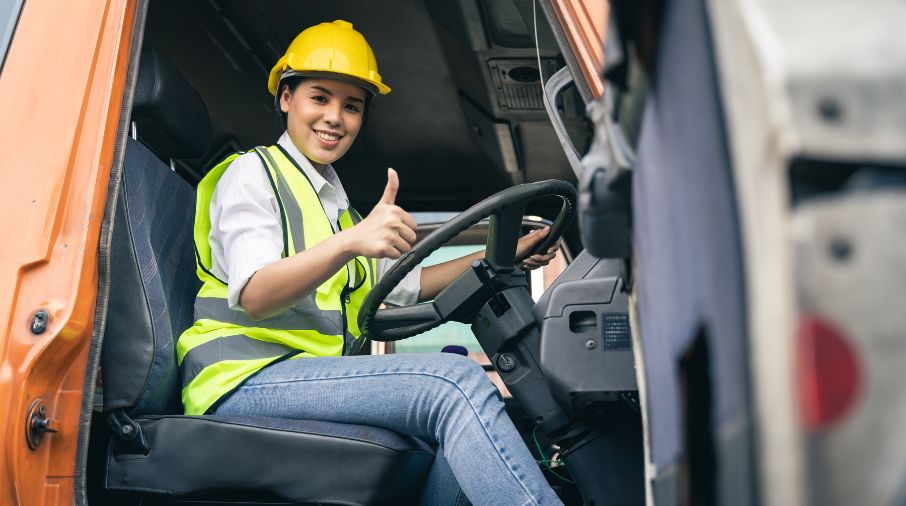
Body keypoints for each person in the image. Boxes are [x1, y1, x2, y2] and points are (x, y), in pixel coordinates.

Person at [177, 20, 563, 505]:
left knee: (463, 433)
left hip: (301, 376)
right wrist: (351, 242)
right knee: (452, 384)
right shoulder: (252, 174)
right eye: (320, 98)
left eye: (352, 106)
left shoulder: (339, 209)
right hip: (242, 379)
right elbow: (255, 295)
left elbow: (409, 285)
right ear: (285, 98)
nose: (334, 117)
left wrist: (503, 254)